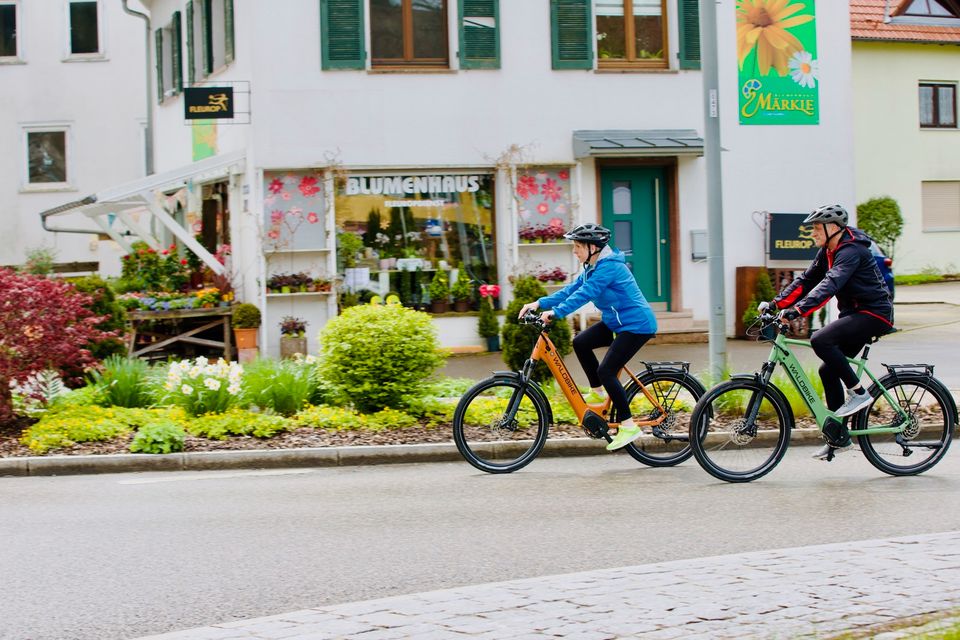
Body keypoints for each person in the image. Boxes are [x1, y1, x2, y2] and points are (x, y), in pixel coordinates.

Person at [762, 204, 894, 460]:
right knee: (827, 370)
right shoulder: (828, 250)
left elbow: (831, 284)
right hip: (854, 314)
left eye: (815, 227)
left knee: (820, 339)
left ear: (832, 227)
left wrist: (797, 312)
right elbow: (807, 280)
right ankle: (838, 438)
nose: (812, 233)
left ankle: (858, 393)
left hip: (873, 313)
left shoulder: (851, 251)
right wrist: (776, 304)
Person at [517, 223, 658, 451]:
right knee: (580, 342)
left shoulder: (608, 268)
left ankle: (629, 425)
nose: (574, 251)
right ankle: (597, 392)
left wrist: (556, 313)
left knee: (607, 370)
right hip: (617, 322)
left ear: (593, 247)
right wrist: (539, 303)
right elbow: (572, 289)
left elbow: (585, 294)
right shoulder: (593, 267)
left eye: (577, 246)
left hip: (636, 325)